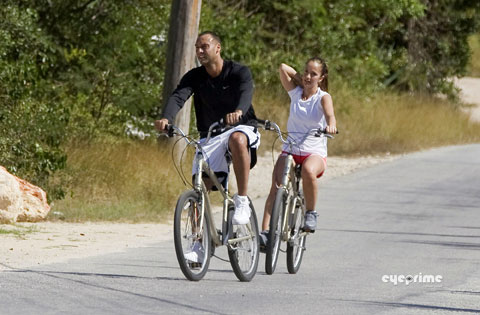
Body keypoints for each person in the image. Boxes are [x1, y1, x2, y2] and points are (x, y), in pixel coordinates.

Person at [155, 31, 260, 230]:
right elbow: (178, 97)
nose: (200, 51)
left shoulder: (239, 72)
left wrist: (238, 111)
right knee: (199, 189)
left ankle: (242, 200)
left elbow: (246, 93)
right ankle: (197, 242)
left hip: (241, 128)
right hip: (211, 135)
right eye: (197, 48)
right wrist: (166, 118)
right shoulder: (194, 76)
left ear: (217, 48)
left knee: (237, 139)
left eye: (204, 47)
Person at [260, 57, 337, 248]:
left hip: (314, 152)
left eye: (314, 74)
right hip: (291, 148)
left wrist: (331, 126)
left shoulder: (323, 97)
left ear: (322, 77)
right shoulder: (295, 93)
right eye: (306, 72)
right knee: (277, 185)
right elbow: (282, 67)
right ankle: (266, 232)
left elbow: (330, 115)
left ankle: (310, 213)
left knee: (308, 171)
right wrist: (300, 80)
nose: (308, 76)